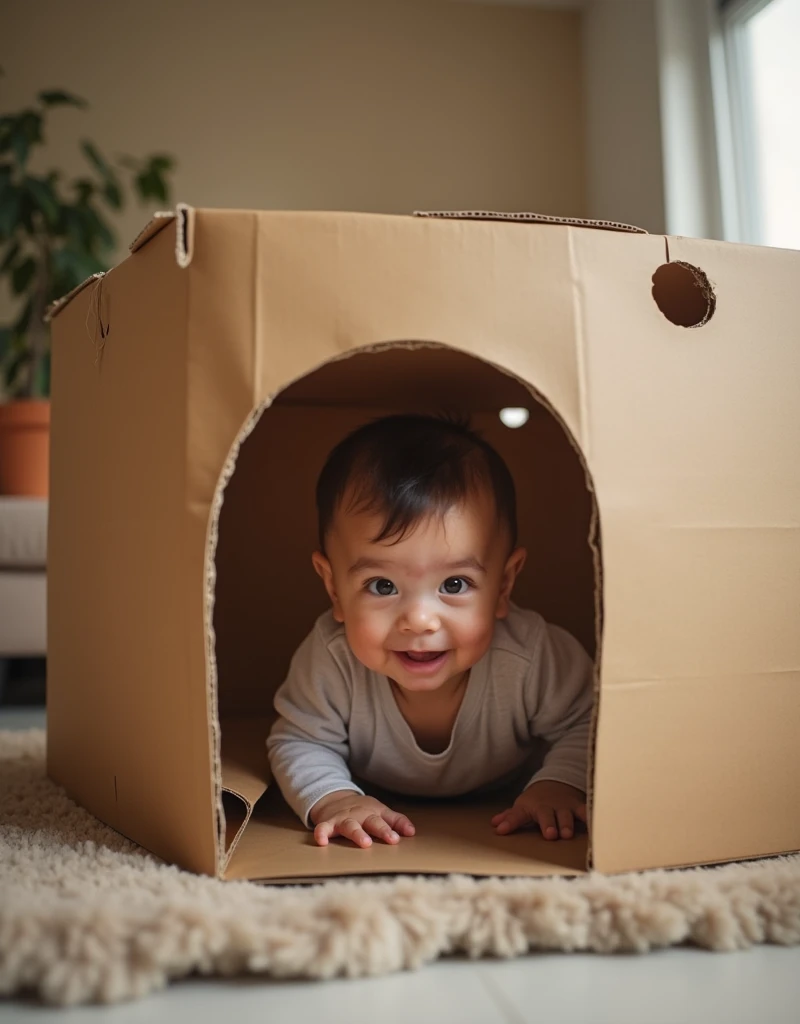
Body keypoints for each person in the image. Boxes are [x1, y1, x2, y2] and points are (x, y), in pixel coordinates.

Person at [266, 414, 594, 849]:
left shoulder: (532, 654)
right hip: (375, 791)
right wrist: (337, 798)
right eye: (382, 586)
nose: (419, 620)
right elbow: (300, 739)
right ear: (333, 587)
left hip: (507, 789)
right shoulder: (331, 658)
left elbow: (590, 722)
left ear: (504, 585)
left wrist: (559, 784)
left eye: (454, 585)